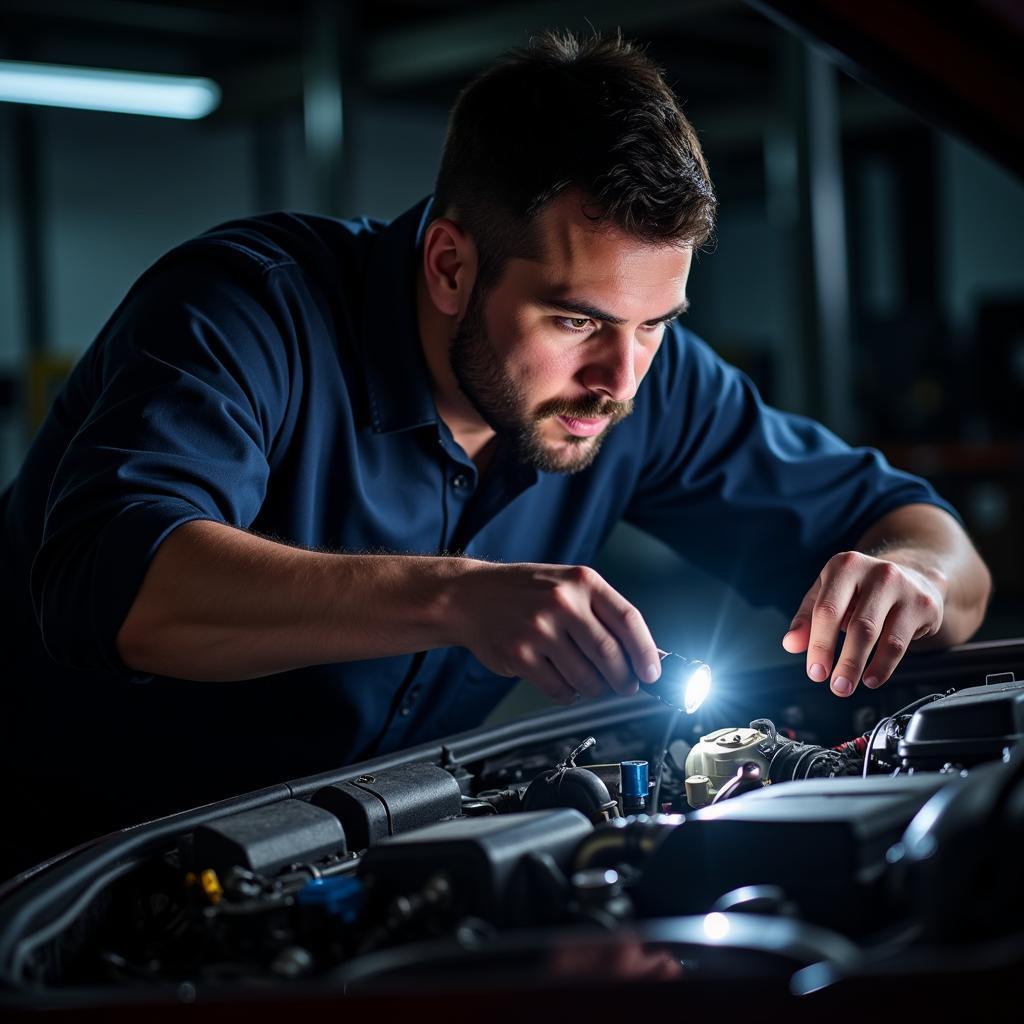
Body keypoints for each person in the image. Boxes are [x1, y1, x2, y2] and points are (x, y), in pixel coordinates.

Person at [0, 31, 990, 876]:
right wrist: (457, 595)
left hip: (323, 870)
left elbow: (938, 548)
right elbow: (119, 581)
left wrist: (905, 577)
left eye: (655, 324)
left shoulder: (648, 379)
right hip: (56, 868)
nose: (622, 376)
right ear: (449, 264)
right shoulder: (247, 310)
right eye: (576, 318)